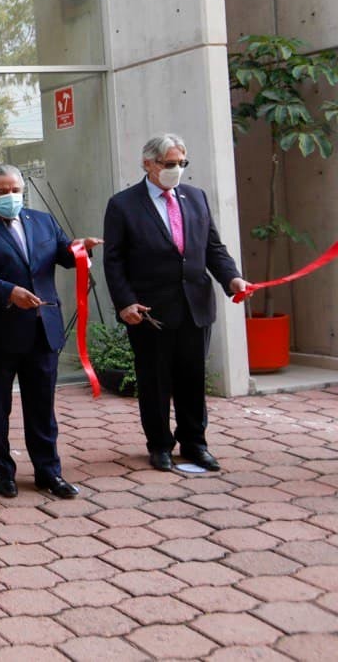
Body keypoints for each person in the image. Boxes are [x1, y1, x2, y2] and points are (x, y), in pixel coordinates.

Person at [103, 134, 250, 472]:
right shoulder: (123, 204)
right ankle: (159, 445)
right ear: (148, 163)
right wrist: (125, 303)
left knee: (192, 377)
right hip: (150, 311)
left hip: (195, 305)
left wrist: (233, 279)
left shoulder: (196, 198)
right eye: (169, 164)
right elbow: (114, 260)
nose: (176, 170)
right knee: (154, 380)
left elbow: (213, 248)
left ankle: (195, 443)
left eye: (182, 163)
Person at [0, 164, 101, 500]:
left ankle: (48, 472)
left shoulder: (43, 221)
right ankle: (3, 472)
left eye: (16, 190)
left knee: (42, 406)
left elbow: (65, 255)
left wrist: (81, 249)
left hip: (42, 328)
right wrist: (9, 291)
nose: (11, 196)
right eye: (3, 191)